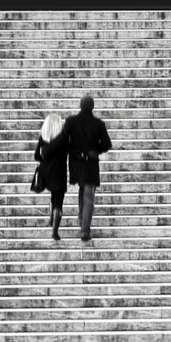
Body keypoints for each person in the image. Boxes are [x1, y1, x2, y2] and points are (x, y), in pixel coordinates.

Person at [64, 94, 112, 243]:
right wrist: (94, 150)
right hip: (90, 163)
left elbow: (64, 140)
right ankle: (85, 229)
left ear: (80, 105)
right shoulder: (98, 123)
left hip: (77, 164)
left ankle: (81, 219)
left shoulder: (71, 121)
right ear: (92, 106)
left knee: (83, 190)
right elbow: (106, 144)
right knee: (88, 195)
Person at [33, 112, 69, 240]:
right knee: (58, 201)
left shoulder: (43, 137)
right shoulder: (64, 138)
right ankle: (55, 231)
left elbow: (36, 155)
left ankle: (50, 219)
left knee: (53, 196)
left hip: (46, 172)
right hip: (59, 172)